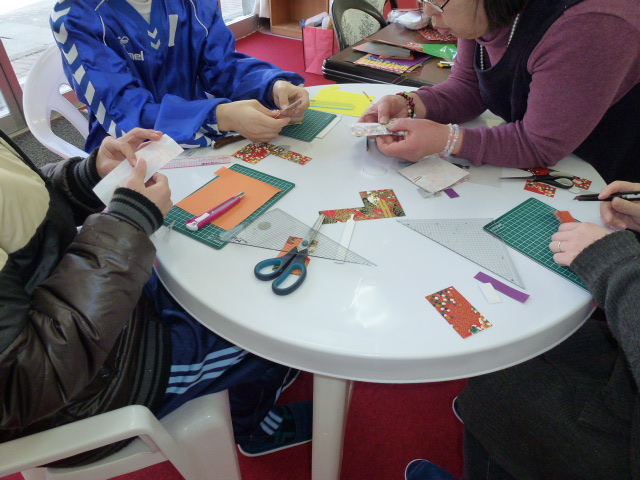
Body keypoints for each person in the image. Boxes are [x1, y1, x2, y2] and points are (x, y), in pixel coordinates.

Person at [0, 128, 311, 464]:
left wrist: (86, 177)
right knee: (270, 329)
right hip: (91, 388)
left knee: (228, 284)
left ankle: (260, 378)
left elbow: (21, 212)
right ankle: (254, 428)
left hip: (94, 307)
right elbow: (26, 382)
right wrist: (127, 221)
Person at [404, 180, 640, 479]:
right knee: (518, 338)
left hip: (624, 446)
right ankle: (490, 425)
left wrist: (611, 257)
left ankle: (495, 424)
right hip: (623, 374)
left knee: (497, 370)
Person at [359, 0, 640, 183]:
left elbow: (538, 145)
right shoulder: (482, 12)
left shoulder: (590, 23)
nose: (430, 16)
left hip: (615, 175)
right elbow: (469, 87)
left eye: (437, 2)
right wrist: (411, 104)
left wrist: (448, 140)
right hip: (564, 158)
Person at [49, 0, 310, 153]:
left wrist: (272, 85)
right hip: (127, 152)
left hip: (203, 133)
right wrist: (220, 116)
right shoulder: (76, 16)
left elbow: (223, 66)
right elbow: (126, 113)